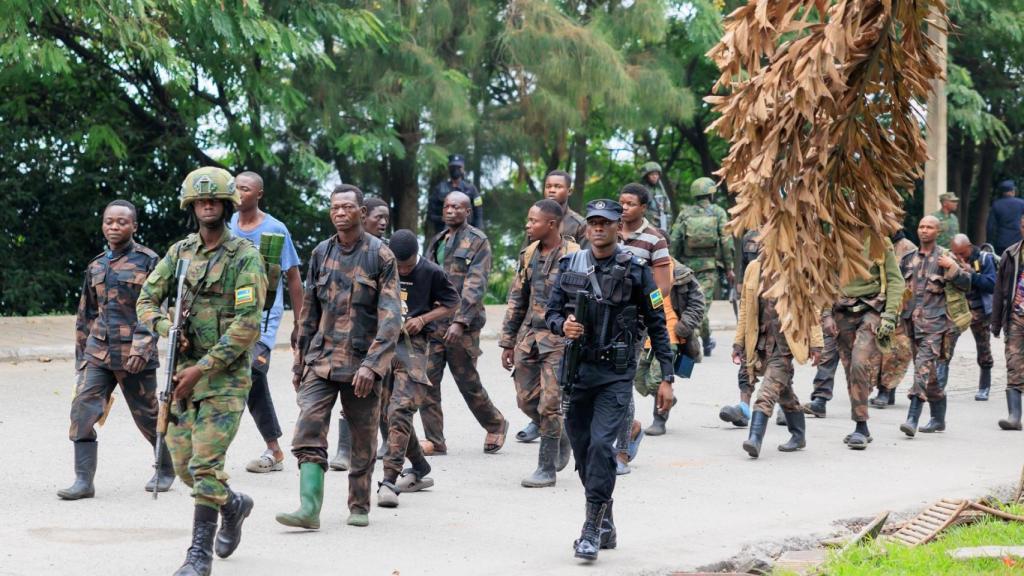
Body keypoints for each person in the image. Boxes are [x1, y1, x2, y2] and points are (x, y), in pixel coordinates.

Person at [136, 167, 267, 576]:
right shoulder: (180, 253)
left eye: (214, 199)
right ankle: (233, 505)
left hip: (224, 378)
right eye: (200, 199)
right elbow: (146, 300)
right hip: (181, 374)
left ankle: (198, 557)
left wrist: (204, 367)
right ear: (191, 206)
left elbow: (248, 324)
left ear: (227, 205)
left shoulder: (244, 256)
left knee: (206, 466)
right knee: (183, 467)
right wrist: (166, 328)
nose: (207, 204)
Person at [545, 199, 675, 561]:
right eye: (593, 222)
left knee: (603, 447)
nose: (599, 228)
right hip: (578, 372)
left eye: (606, 222)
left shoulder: (636, 270)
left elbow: (656, 323)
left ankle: (589, 530)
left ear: (619, 227)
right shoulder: (571, 264)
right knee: (585, 451)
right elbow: (551, 312)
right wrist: (562, 325)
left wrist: (666, 376)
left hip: (615, 375)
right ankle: (605, 517)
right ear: (587, 227)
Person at [276, 184, 401, 530]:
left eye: (347, 207)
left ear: (362, 213)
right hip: (322, 360)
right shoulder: (320, 253)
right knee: (308, 429)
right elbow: (309, 312)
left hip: (362, 365)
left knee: (363, 438)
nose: (340, 213)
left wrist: (373, 367)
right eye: (335, 208)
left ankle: (359, 504)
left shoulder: (381, 256)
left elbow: (391, 318)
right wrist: (300, 360)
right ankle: (309, 509)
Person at [60, 199, 169, 500]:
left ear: (134, 225)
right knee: (82, 408)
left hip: (134, 354)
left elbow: (155, 309)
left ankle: (166, 466)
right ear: (103, 224)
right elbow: (86, 315)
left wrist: (143, 348)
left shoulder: (149, 261)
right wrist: (82, 360)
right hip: (98, 351)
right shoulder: (96, 265)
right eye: (109, 221)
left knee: (147, 415)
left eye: (122, 221)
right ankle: (83, 481)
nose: (114, 226)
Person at [227, 171, 304, 474]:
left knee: (254, 371)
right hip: (229, 317)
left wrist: (300, 323)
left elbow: (294, 279)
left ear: (258, 194)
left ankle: (273, 449)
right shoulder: (226, 226)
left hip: (263, 319)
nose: (238, 193)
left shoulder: (275, 229)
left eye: (245, 189)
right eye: (235, 188)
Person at [377, 230, 460, 508]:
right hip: (383, 343)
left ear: (417, 256)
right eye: (398, 265)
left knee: (400, 409)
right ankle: (420, 467)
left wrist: (423, 319)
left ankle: (389, 480)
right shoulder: (382, 265)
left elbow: (452, 302)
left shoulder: (432, 272)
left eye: (407, 265)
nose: (402, 270)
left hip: (414, 347)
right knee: (384, 413)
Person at [421, 191, 508, 455]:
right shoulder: (437, 240)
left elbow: (475, 285)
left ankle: (495, 424)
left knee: (467, 382)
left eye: (457, 207)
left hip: (463, 327)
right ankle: (435, 440)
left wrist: (460, 322)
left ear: (467, 212)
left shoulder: (477, 241)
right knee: (426, 383)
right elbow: (427, 278)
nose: (450, 210)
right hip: (435, 324)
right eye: (447, 206)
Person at [500, 200, 578, 487]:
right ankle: (562, 435)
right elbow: (517, 298)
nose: (528, 225)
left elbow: (583, 301)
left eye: (534, 221)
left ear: (552, 224)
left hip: (560, 340)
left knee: (550, 404)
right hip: (530, 339)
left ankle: (546, 469)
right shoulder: (529, 253)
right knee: (525, 400)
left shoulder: (575, 256)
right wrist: (508, 342)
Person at [733, 254, 823, 458]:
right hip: (761, 343)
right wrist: (739, 342)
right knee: (784, 393)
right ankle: (798, 435)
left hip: (784, 347)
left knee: (766, 392)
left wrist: (816, 344)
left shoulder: (797, 266)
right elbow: (745, 308)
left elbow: (811, 309)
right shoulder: (754, 268)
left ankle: (755, 439)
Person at [820, 235, 904, 449]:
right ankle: (861, 426)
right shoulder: (834, 238)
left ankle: (860, 426)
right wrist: (826, 314)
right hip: (843, 313)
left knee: (859, 362)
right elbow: (825, 279)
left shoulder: (879, 241)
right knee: (850, 369)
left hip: (872, 311)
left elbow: (895, 280)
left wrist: (890, 316)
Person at [616, 183, 676, 472]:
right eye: (621, 203)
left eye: (630, 203)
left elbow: (663, 286)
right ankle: (629, 428)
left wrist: (644, 306)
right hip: (602, 321)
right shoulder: (608, 230)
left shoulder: (654, 240)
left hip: (634, 323)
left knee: (623, 384)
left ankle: (624, 449)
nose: (624, 207)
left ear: (643, 208)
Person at [331, 196, 391, 471]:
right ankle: (345, 449)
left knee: (391, 404)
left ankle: (407, 455)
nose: (383, 222)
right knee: (356, 400)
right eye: (378, 217)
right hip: (350, 345)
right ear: (364, 217)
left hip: (387, 340)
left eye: (386, 218)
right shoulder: (331, 252)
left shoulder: (384, 253)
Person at [898, 215, 971, 437]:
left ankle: (912, 418)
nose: (924, 230)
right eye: (921, 226)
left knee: (921, 369)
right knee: (929, 376)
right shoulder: (908, 259)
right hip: (912, 324)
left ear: (937, 232)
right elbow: (899, 288)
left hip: (936, 326)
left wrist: (953, 269)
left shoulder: (946, 258)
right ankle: (938, 418)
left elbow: (967, 283)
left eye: (929, 227)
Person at [638, 256, 704, 436]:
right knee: (639, 380)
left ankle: (659, 420)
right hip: (645, 334)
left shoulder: (681, 273)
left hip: (670, 336)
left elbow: (698, 305)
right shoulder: (642, 269)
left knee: (657, 380)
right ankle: (668, 399)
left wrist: (682, 327)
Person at [670, 177, 734, 356]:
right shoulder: (718, 212)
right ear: (711, 194)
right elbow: (726, 242)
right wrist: (729, 268)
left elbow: (674, 239)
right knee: (701, 305)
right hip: (708, 267)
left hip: (686, 269)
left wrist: (671, 264)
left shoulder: (685, 213)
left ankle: (705, 341)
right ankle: (697, 345)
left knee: (694, 305)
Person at [869, 230, 918, 408]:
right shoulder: (876, 241)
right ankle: (882, 389)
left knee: (895, 352)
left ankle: (886, 390)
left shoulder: (908, 249)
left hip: (900, 307)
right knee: (878, 351)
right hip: (878, 304)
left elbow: (909, 283)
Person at [719, 229, 761, 427]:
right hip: (753, 305)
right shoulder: (750, 236)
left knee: (779, 366)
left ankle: (787, 408)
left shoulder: (788, 229)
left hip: (779, 310)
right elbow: (744, 267)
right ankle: (743, 409)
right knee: (746, 359)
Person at [950, 234, 997, 401]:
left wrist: (972, 274)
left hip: (979, 310)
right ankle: (938, 386)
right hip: (958, 309)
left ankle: (984, 387)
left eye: (962, 253)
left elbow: (992, 285)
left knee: (983, 348)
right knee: (946, 345)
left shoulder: (984, 259)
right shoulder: (950, 259)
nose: (959, 257)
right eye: (956, 253)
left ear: (969, 247)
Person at [991, 214, 1024, 431]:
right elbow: (1000, 290)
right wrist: (995, 322)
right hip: (1016, 317)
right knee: (1014, 363)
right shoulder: (1011, 254)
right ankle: (1014, 416)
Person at [425, 154, 483, 241]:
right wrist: (443, 218)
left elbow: (479, 215)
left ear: (463, 169)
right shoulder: (439, 189)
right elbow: (430, 215)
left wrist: (478, 236)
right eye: (453, 167)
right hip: (444, 235)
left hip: (467, 236)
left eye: (458, 167)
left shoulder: (471, 190)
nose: (455, 170)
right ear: (449, 169)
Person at [543, 169, 588, 248]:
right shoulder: (536, 221)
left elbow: (585, 257)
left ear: (569, 191)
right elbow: (524, 255)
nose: (552, 190)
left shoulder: (580, 225)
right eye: (548, 186)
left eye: (558, 187)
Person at [988, 180, 1024, 256]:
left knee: (1002, 265)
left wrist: (989, 242)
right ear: (1012, 191)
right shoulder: (1021, 203)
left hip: (1001, 243)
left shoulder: (996, 205)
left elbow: (990, 227)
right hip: (1018, 242)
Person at [639, 162, 673, 236]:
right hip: (646, 227)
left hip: (662, 226)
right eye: (652, 174)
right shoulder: (641, 191)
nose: (655, 177)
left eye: (656, 174)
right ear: (646, 176)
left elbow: (667, 209)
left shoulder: (660, 191)